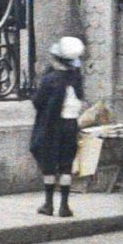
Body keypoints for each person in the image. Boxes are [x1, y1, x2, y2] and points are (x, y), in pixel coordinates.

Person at [30, 36, 85, 217]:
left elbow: (38, 102)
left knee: (49, 164)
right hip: (71, 125)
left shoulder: (50, 79)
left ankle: (48, 204)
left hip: (52, 126)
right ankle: (65, 206)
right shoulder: (76, 79)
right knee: (65, 165)